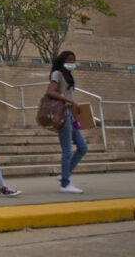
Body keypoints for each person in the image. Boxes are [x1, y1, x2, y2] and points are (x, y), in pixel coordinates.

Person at [47, 50, 88, 194]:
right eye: (69, 60)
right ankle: (65, 184)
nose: (71, 62)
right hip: (63, 115)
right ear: (63, 60)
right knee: (67, 150)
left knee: (83, 147)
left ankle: (65, 175)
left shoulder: (67, 75)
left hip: (70, 115)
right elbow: (50, 92)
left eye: (73, 60)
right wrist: (70, 101)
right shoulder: (57, 74)